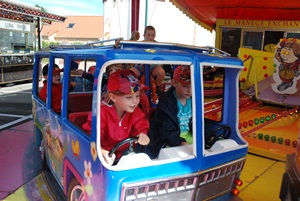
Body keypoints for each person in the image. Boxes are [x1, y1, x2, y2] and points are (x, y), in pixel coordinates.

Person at [82, 70, 150, 165]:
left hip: (126, 156)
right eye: (129, 97)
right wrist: (101, 151)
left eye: (137, 96)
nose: (135, 101)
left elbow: (140, 123)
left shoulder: (135, 111)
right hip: (103, 158)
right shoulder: (101, 113)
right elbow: (91, 138)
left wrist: (143, 134)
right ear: (113, 97)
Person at [147, 65, 192, 158]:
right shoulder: (166, 103)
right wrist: (181, 143)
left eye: (193, 86)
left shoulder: (194, 100)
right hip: (169, 139)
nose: (190, 90)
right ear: (174, 83)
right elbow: (166, 131)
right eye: (185, 86)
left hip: (189, 135)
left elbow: (199, 123)